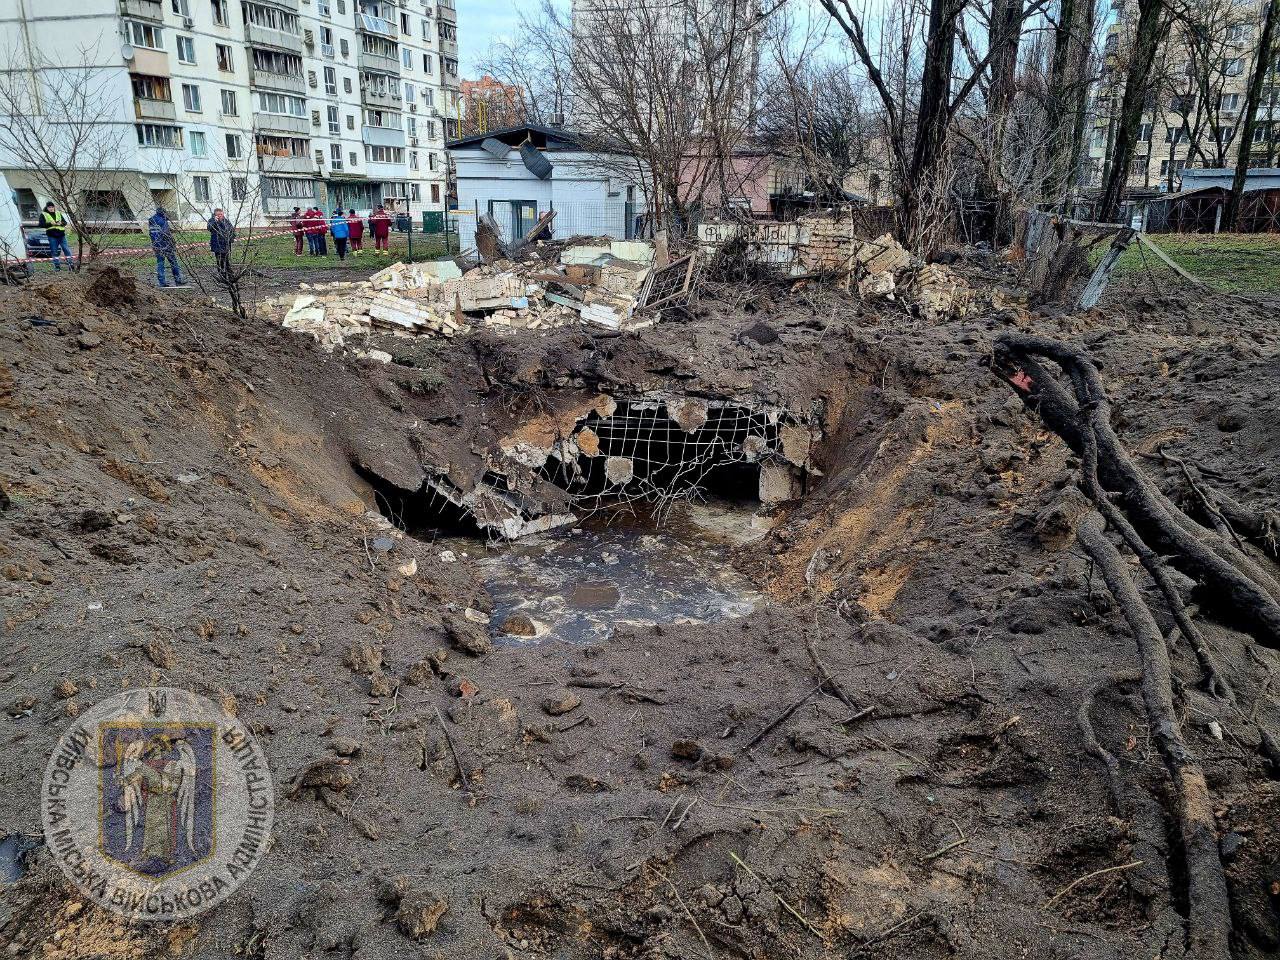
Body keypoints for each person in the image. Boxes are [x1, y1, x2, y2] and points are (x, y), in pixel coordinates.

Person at [148, 207, 186, 288]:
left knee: (160, 264)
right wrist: (173, 243)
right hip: (166, 245)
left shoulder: (152, 220)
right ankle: (178, 279)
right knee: (174, 263)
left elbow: (154, 233)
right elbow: (166, 234)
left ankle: (162, 282)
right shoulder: (163, 221)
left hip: (156, 246)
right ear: (163, 213)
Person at [40, 201, 73, 271]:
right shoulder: (43, 214)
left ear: (54, 207)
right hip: (52, 236)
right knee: (54, 251)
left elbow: (65, 222)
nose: (51, 208)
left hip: (61, 235)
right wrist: (50, 224)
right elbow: (41, 224)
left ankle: (71, 264)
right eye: (49, 207)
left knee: (66, 249)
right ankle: (57, 267)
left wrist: (61, 223)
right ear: (47, 208)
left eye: (52, 207)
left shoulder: (58, 213)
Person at [206, 208, 235, 277]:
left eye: (221, 214)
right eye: (218, 214)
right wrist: (215, 221)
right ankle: (221, 273)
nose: (220, 216)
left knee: (226, 258)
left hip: (226, 243)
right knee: (219, 259)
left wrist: (231, 238)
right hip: (217, 243)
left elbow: (231, 230)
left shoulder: (226, 221)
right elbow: (209, 228)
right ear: (215, 215)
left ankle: (228, 271)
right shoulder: (211, 220)